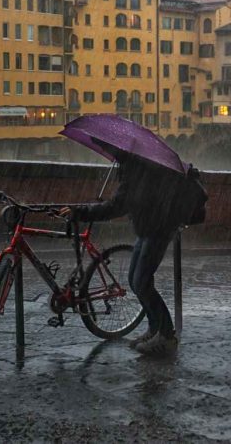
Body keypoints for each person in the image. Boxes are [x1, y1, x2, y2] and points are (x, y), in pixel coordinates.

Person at [60, 148, 187, 356]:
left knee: (141, 282)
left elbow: (117, 206)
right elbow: (123, 202)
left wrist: (82, 212)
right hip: (148, 228)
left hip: (158, 230)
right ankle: (155, 329)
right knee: (135, 280)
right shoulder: (137, 167)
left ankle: (166, 335)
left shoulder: (138, 171)